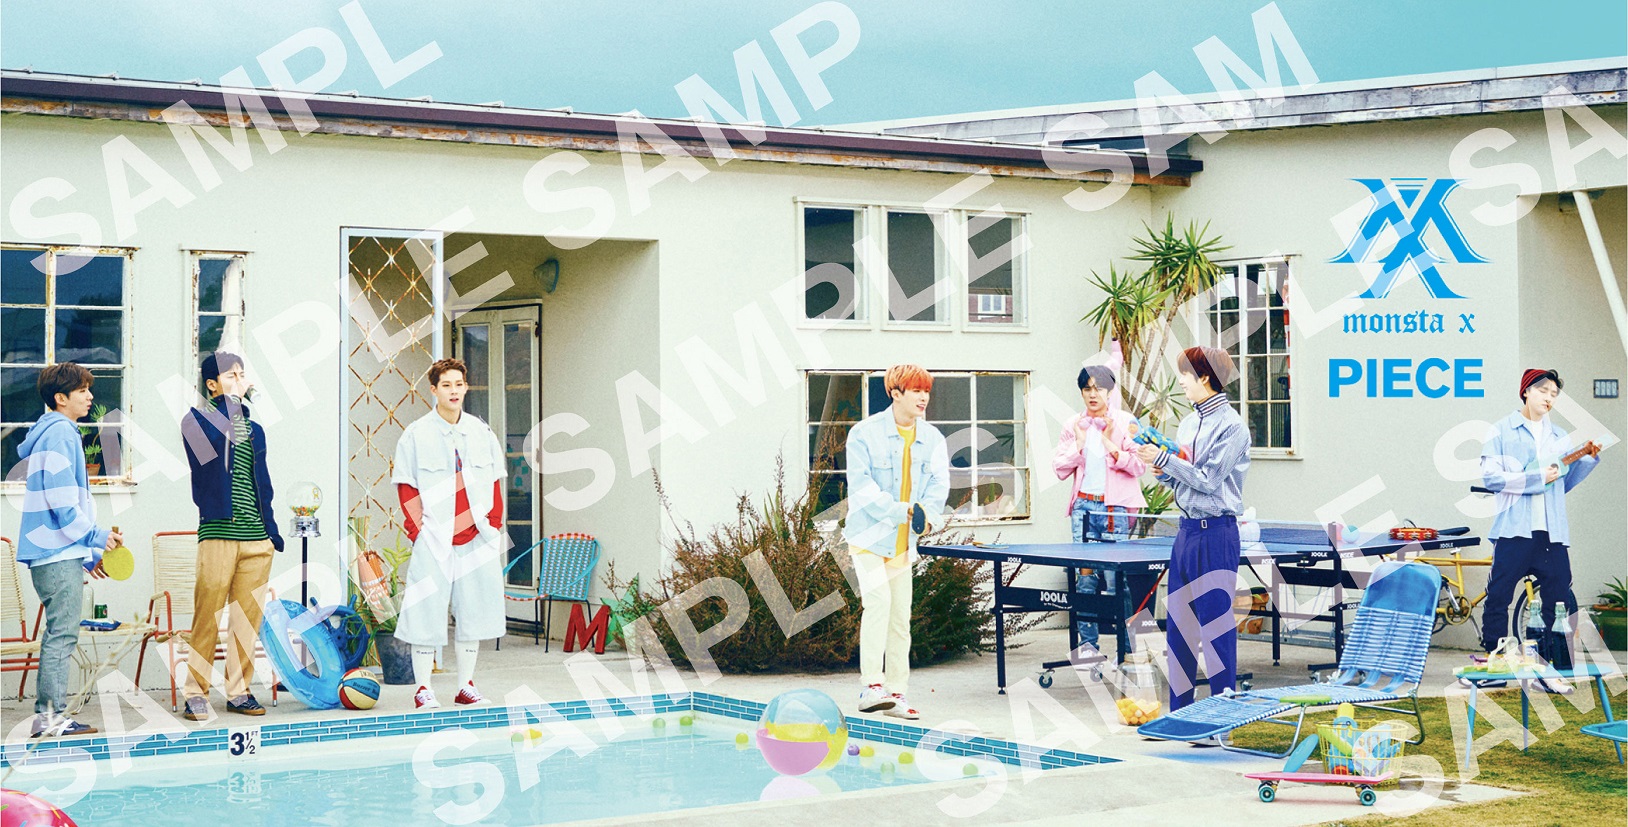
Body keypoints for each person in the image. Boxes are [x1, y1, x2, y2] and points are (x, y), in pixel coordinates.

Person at [1135, 347, 1250, 714]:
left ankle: (1221, 717)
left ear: (1204, 377)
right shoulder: (1187, 423)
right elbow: (1183, 479)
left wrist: (1165, 460)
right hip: (1186, 533)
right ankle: (1180, 715)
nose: (1181, 381)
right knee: (1179, 630)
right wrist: (1163, 471)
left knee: (1216, 630)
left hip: (1216, 534)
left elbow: (1208, 479)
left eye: (1186, 374)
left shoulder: (1233, 427)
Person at [1474, 369, 1600, 694]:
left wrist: (1586, 461)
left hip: (1552, 533)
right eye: (1543, 390)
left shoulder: (1561, 437)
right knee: (1498, 596)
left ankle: (1549, 671)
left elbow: (1562, 485)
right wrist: (1535, 479)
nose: (1549, 398)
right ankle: (1495, 665)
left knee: (1558, 600)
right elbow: (1491, 478)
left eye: (1554, 394)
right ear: (1526, 391)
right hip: (1514, 530)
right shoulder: (1501, 430)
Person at [392, 358, 506, 709]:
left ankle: (465, 686)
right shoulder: (416, 434)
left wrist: (494, 524)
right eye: (446, 385)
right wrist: (419, 532)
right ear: (434, 390)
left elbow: (496, 481)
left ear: (466, 388)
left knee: (475, 612)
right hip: (434, 537)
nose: (454, 391)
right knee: (425, 612)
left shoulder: (482, 432)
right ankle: (423, 688)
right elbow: (406, 487)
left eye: (459, 384)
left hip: (477, 536)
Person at [17, 362, 121, 737]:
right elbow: (62, 504)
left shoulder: (52, 431)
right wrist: (96, 536)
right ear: (61, 398)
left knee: (58, 633)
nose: (90, 396)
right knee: (62, 635)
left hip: (56, 553)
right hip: (56, 554)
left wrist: (87, 554)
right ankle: (49, 718)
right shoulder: (61, 432)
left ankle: (49, 717)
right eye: (82, 391)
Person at [179, 352, 284, 721]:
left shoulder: (255, 431)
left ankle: (238, 692)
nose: (240, 379)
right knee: (207, 616)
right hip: (218, 533)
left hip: (257, 537)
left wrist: (271, 533)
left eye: (242, 374)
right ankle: (195, 692)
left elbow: (262, 484)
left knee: (246, 620)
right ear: (212, 384)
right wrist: (232, 405)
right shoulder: (194, 422)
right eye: (230, 375)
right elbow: (209, 461)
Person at [843, 364, 950, 720]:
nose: (923, 397)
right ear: (895, 393)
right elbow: (861, 489)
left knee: (900, 617)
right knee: (878, 603)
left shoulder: (933, 439)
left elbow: (938, 486)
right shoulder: (863, 434)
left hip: (904, 543)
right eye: (916, 390)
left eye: (927, 391)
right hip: (868, 537)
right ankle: (870, 687)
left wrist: (927, 515)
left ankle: (896, 694)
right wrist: (902, 511)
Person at [1052, 349, 1146, 654]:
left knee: (1117, 579)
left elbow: (1139, 465)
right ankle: (1088, 646)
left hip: (1114, 510)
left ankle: (1127, 648)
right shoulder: (1073, 424)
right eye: (1087, 389)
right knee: (1085, 581)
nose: (1093, 394)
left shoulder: (1125, 422)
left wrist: (1109, 444)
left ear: (1110, 391)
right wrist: (1079, 445)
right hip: (1083, 507)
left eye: (1099, 388)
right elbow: (1059, 468)